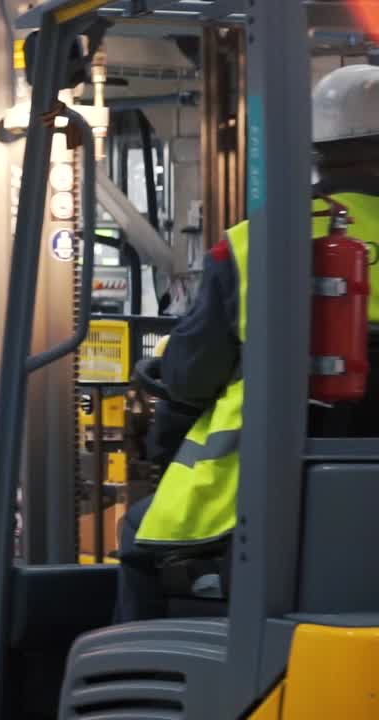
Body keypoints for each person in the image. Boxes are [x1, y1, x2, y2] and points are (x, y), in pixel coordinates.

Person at [115, 64, 379, 623]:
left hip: (269, 493)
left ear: (318, 151)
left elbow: (190, 376)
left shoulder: (255, 243)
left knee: (138, 533)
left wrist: (163, 432)